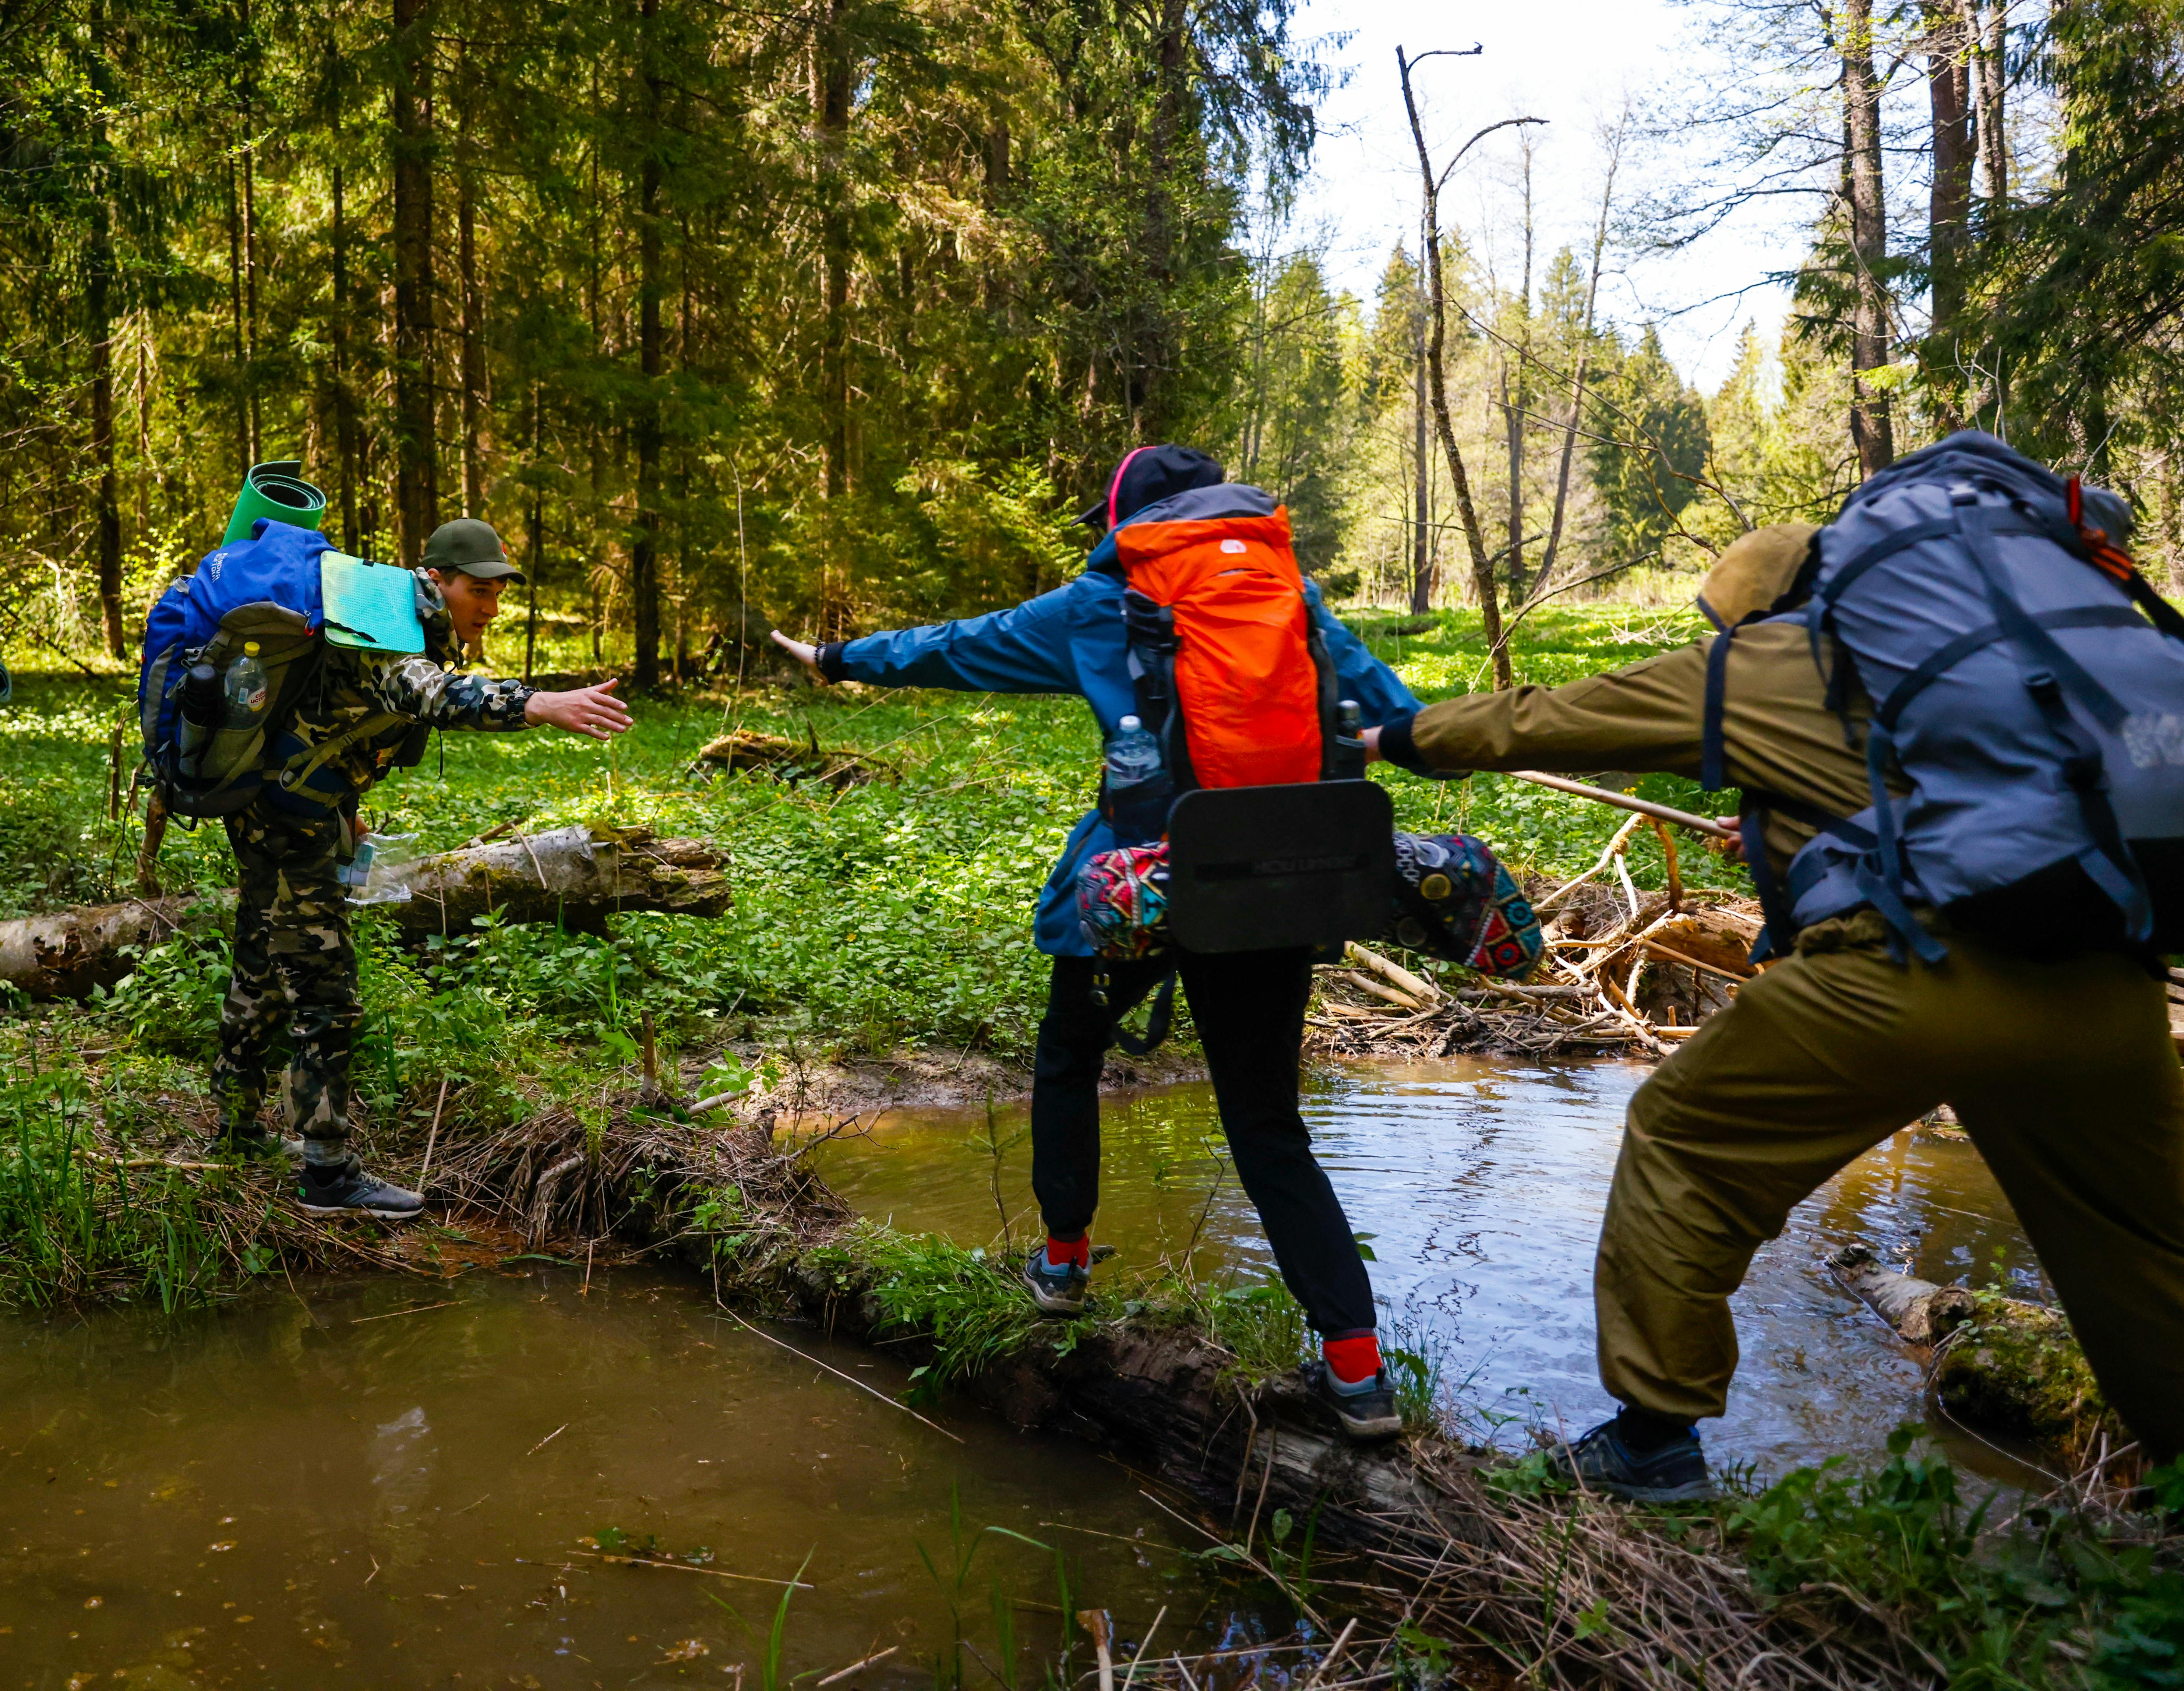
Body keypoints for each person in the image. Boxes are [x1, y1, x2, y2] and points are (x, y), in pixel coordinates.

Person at [1363, 524, 2184, 1497]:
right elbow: (1937, 811)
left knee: (1679, 1140)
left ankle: (1651, 1446)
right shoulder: (1972, 667)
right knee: (2148, 1252)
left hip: (1913, 971)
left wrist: (1395, 738)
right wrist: (1777, 821)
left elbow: (1550, 717)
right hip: (2104, 987)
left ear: (1753, 613)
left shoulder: (1778, 657)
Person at [768, 446, 1427, 1441]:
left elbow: (956, 645)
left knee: (1068, 1054)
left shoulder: (1097, 603)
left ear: (1127, 520)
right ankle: (1357, 1371)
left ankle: (1063, 1262)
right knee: (1266, 1126)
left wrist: (836, 658)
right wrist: (1436, 741)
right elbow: (1398, 717)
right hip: (1278, 885)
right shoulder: (1288, 594)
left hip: (1140, 888)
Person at [214, 513, 635, 1216]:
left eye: (499, 593)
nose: (491, 607)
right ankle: (327, 1175)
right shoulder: (384, 627)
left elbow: (336, 720)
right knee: (325, 992)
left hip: (282, 807)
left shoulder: (392, 618)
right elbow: (431, 695)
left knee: (260, 967)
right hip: (286, 822)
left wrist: (344, 804)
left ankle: (238, 1132)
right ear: (437, 579)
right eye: (479, 590)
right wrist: (537, 703)